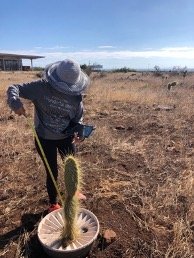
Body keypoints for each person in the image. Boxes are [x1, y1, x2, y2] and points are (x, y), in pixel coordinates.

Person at [7, 59, 90, 213]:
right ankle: (53, 203)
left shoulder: (76, 95)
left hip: (66, 137)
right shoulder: (40, 87)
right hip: (45, 139)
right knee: (52, 171)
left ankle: (73, 192)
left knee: (71, 167)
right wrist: (15, 102)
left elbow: (78, 117)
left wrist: (80, 131)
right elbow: (14, 88)